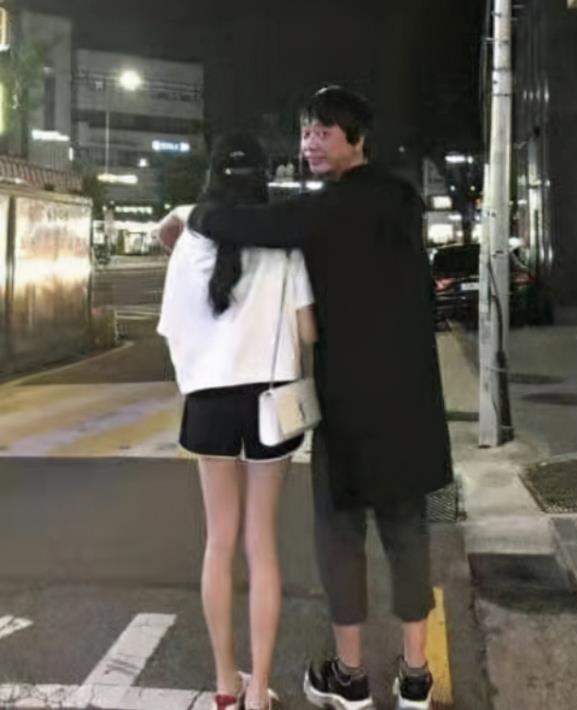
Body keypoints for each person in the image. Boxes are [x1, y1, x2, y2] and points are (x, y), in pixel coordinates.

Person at [182, 87, 453, 710]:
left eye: (324, 132)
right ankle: (415, 676)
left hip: (349, 405)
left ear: (357, 139)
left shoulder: (325, 211)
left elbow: (248, 224)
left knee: (340, 536)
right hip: (414, 404)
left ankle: (350, 676)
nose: (309, 143)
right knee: (409, 534)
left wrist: (194, 214)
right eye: (306, 132)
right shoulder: (403, 200)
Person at [157, 133, 317, 710]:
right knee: (261, 544)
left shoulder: (189, 243)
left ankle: (227, 685)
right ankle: (259, 694)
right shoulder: (283, 248)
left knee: (218, 541)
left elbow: (171, 325)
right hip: (270, 400)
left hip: (208, 401)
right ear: (263, 181)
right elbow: (307, 333)